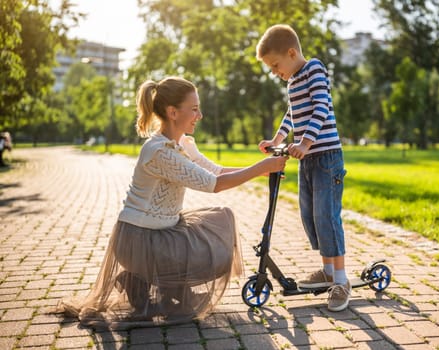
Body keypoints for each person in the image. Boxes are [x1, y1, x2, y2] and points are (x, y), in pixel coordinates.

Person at [57, 76, 288, 328]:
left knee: (222, 217)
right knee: (205, 243)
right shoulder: (159, 151)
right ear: (173, 112)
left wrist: (261, 169)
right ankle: (155, 285)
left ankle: (152, 286)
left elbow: (216, 171)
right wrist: (260, 167)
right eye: (195, 109)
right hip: (139, 239)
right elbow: (214, 185)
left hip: (159, 231)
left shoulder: (181, 144)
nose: (199, 115)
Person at [256, 24, 350, 312]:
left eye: (276, 65)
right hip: (307, 160)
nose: (275, 72)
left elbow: (321, 106)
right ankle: (327, 272)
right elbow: (292, 114)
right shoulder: (292, 82)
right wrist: (278, 139)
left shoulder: (314, 69)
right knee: (310, 215)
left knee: (327, 216)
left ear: (291, 52)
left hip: (326, 157)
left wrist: (306, 143)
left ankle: (341, 281)